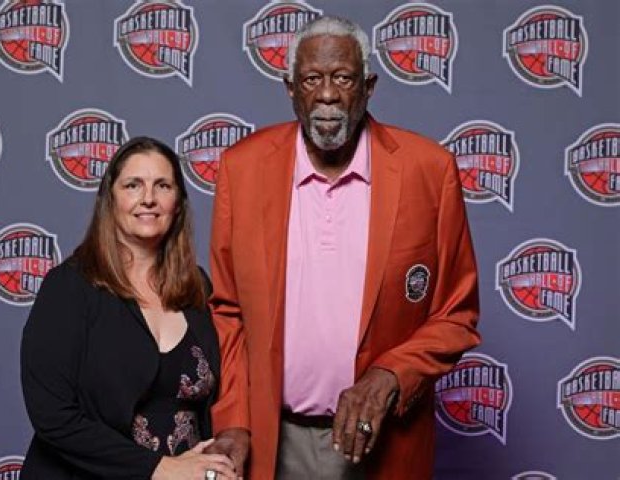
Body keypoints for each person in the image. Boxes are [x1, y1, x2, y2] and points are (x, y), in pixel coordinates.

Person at [205, 16, 481, 480]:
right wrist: (234, 420)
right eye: (312, 79)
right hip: (276, 441)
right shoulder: (243, 168)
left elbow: (457, 315)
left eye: (344, 79)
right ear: (290, 88)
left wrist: (390, 375)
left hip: (384, 443)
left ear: (368, 87)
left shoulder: (429, 171)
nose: (328, 94)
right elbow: (227, 311)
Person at [20, 137, 237, 479]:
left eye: (162, 185)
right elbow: (52, 414)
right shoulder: (70, 286)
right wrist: (160, 468)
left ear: (178, 203)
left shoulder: (197, 286)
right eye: (133, 185)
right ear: (111, 199)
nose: (148, 198)